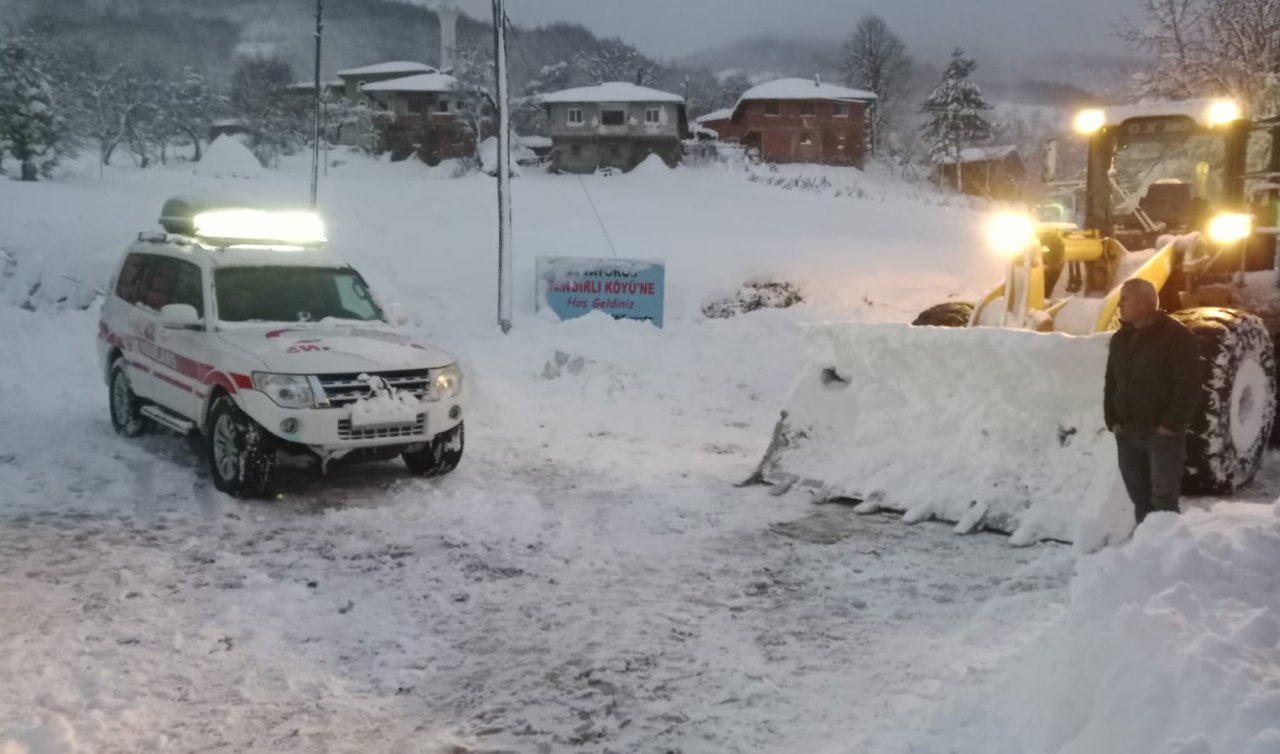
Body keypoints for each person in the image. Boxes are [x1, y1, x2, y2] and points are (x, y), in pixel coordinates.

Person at [1104, 279, 1202, 525]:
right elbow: (1112, 383)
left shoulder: (1177, 337)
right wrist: (1112, 419)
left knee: (1164, 503)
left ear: (1145, 302)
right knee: (1140, 499)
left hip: (1162, 435)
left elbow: (1189, 385)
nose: (1119, 304)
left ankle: (1166, 556)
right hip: (1127, 433)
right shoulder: (1120, 339)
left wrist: (1171, 424)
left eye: (1125, 298)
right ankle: (1145, 553)